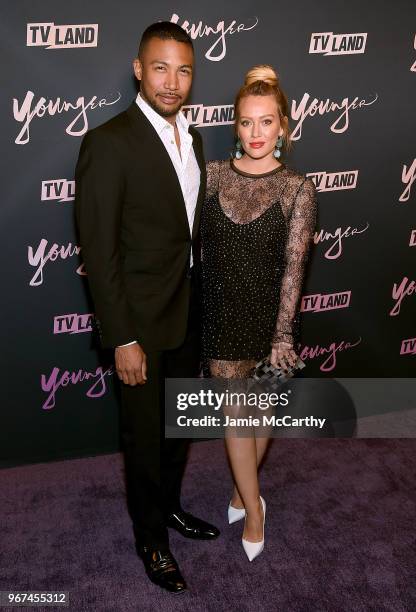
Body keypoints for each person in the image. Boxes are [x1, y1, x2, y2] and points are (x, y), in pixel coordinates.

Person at [74, 22, 219, 595]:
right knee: (142, 435)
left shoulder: (197, 138)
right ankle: (151, 540)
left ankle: (172, 508)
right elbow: (99, 248)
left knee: (177, 426)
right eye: (160, 68)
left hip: (187, 312)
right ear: (139, 68)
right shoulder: (109, 141)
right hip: (138, 323)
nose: (172, 81)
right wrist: (122, 336)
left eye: (184, 70)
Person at [201, 65, 317, 561]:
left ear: (284, 126)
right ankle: (254, 510)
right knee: (236, 418)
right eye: (246, 122)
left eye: (266, 122)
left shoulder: (298, 189)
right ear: (235, 126)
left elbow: (294, 268)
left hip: (272, 325)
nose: (255, 133)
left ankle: (240, 492)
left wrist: (283, 337)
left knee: (262, 414)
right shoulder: (211, 177)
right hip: (222, 319)